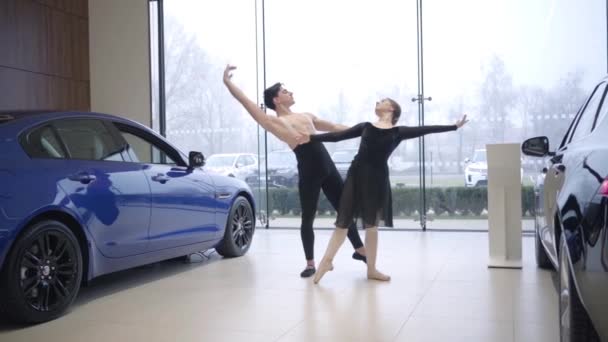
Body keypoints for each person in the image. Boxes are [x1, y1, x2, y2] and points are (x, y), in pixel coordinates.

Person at [302, 98, 468, 284]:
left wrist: (453, 127)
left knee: (372, 226)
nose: (377, 101)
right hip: (356, 175)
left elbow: (426, 129)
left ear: (391, 108)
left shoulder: (398, 132)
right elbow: (338, 136)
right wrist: (312, 138)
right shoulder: (365, 126)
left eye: (382, 101)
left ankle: (371, 269)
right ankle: (326, 262)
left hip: (377, 178)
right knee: (344, 220)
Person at [222, 65, 367, 278]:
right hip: (308, 169)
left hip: (328, 165)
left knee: (344, 209)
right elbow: (246, 102)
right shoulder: (275, 122)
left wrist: (364, 130)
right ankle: (310, 263)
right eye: (284, 91)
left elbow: (335, 127)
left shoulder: (306, 115)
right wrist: (228, 82)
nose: (290, 92)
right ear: (276, 100)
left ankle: (359, 250)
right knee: (308, 217)